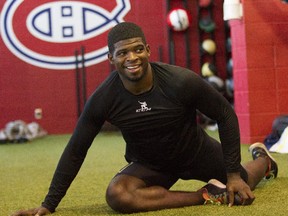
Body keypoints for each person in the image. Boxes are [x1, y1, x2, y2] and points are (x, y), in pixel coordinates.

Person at [12, 22, 278, 215]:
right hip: (151, 164)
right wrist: (49, 204)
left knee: (242, 185)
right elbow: (75, 150)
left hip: (196, 152)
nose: (132, 58)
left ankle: (263, 161)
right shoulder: (104, 98)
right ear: (111, 58)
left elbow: (225, 114)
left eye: (138, 50)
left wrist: (232, 173)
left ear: (148, 50)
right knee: (118, 196)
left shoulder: (180, 81)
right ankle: (204, 195)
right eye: (123, 53)